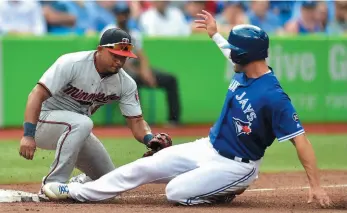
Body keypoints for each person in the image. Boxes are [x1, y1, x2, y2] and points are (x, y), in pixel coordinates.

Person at [41, 10, 331, 208]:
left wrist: (315, 186)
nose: (230, 51)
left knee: (176, 191)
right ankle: (74, 191)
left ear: (246, 55)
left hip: (237, 166)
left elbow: (300, 141)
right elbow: (229, 51)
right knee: (142, 167)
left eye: (235, 48)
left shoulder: (274, 97)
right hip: (209, 147)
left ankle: (222, 191)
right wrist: (215, 35)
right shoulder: (246, 68)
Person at [19, 27, 172, 194]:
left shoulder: (125, 83)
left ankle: (80, 182)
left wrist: (149, 139)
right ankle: (52, 184)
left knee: (110, 184)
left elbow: (136, 122)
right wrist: (28, 135)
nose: (119, 62)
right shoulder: (72, 63)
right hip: (43, 122)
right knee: (83, 123)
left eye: (124, 58)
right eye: (115, 55)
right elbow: (36, 95)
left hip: (77, 130)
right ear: (100, 49)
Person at [101, 3, 181, 126]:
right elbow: (111, 59)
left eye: (125, 14)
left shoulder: (134, 32)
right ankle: (136, 121)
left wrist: (146, 72)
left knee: (170, 79)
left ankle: (173, 120)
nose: (123, 17)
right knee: (132, 80)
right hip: (115, 70)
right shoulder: (108, 32)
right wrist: (139, 72)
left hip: (135, 69)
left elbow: (141, 56)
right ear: (115, 15)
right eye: (120, 14)